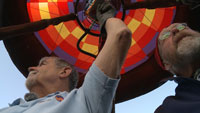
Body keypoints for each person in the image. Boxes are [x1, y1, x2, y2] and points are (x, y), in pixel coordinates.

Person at [0, 1, 132, 113]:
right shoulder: (10, 108)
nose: (31, 68)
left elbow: (120, 35)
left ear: (64, 71)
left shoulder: (85, 99)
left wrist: (105, 17)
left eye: (43, 63)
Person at [154, 23, 200, 113]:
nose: (176, 30)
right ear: (166, 64)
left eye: (182, 26)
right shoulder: (167, 110)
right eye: (165, 35)